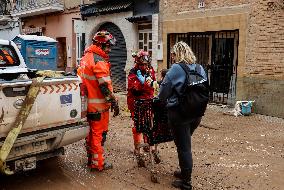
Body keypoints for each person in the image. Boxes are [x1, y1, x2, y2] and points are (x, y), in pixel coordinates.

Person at [158, 41, 208, 190]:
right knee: (184, 143)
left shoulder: (176, 68)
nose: (172, 58)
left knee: (184, 147)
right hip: (196, 114)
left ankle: (186, 182)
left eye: (173, 54)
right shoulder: (200, 68)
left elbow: (162, 94)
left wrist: (163, 97)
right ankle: (183, 171)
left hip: (179, 114)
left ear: (177, 54)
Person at [77, 30, 119, 171]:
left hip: (87, 105)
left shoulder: (85, 58)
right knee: (98, 135)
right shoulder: (99, 61)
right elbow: (104, 87)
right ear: (101, 45)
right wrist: (114, 102)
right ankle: (98, 163)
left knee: (90, 134)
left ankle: (91, 159)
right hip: (99, 106)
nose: (110, 49)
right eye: (108, 46)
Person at [127, 50, 161, 165]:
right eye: (142, 64)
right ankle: (137, 148)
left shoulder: (150, 70)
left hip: (149, 101)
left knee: (149, 123)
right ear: (137, 63)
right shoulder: (133, 72)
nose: (144, 66)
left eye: (146, 64)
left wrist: (151, 84)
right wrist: (144, 82)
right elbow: (135, 88)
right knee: (138, 126)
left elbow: (153, 85)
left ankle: (147, 143)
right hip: (136, 103)